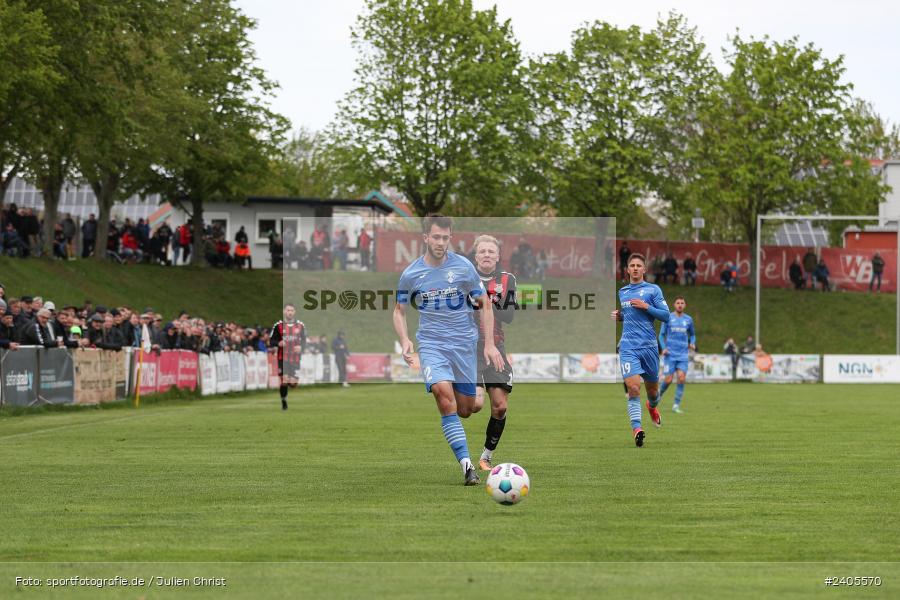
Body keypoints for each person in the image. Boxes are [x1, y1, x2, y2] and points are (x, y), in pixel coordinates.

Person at [393, 215, 502, 485]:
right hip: (431, 345)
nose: (441, 242)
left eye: (445, 237)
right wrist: (405, 339)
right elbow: (399, 310)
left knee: (468, 408)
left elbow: (485, 304)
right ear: (426, 238)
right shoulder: (411, 274)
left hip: (464, 344)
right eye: (436, 237)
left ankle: (471, 392)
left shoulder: (463, 267)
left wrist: (488, 344)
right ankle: (467, 468)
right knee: (444, 397)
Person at [610, 253, 670, 447]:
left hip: (650, 348)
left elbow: (666, 316)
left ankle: (652, 407)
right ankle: (637, 429)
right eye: (632, 265)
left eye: (639, 266)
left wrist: (646, 307)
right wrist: (621, 316)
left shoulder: (653, 290)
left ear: (644, 270)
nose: (635, 268)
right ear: (627, 270)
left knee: (653, 393)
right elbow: (630, 315)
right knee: (634, 387)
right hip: (628, 347)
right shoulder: (623, 292)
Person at [471, 234, 517, 471]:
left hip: (496, 347)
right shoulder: (464, 277)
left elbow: (509, 316)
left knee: (500, 406)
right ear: (476, 255)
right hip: (470, 348)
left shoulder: (507, 279)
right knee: (475, 405)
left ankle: (486, 457)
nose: (487, 255)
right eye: (483, 251)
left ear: (498, 256)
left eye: (491, 251)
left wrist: (484, 301)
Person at [658, 296, 696, 413]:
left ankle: (676, 405)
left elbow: (693, 335)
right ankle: (657, 397)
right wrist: (663, 348)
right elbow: (661, 335)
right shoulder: (668, 318)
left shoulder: (688, 319)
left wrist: (693, 343)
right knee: (668, 380)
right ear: (674, 305)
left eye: (682, 303)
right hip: (670, 354)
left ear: (685, 305)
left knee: (681, 378)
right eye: (678, 303)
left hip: (683, 355)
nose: (680, 305)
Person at [269, 303, 307, 410]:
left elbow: (305, 340)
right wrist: (278, 342)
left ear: (294, 312)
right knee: (284, 380)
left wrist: (301, 347)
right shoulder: (278, 325)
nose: (289, 312)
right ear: (284, 312)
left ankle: (290, 384)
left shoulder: (300, 325)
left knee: (293, 384)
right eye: (288, 310)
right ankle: (283, 401)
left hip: (295, 358)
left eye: (291, 310)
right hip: (283, 358)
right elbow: (271, 340)